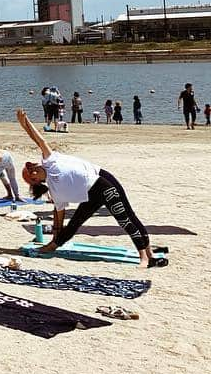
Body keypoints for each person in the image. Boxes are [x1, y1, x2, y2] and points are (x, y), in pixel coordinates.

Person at [16, 108, 167, 269]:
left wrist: (25, 124)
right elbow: (59, 215)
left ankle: (145, 255)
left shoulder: (49, 161)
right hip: (89, 194)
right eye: (32, 170)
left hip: (101, 181)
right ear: (35, 179)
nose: (35, 167)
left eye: (33, 166)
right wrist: (55, 237)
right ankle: (53, 246)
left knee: (126, 217)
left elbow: (39, 140)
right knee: (75, 222)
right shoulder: (54, 191)